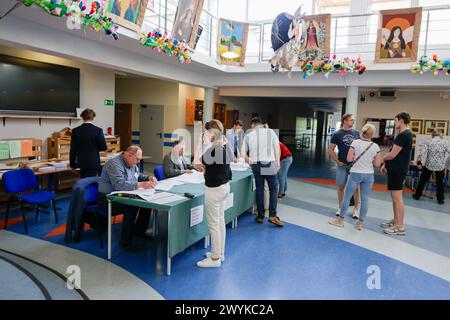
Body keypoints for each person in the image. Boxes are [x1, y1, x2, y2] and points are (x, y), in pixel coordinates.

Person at [98, 146, 158, 252]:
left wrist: (148, 178)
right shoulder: (114, 164)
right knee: (131, 207)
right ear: (129, 155)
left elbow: (137, 175)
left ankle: (139, 232)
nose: (138, 162)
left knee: (146, 202)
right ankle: (125, 243)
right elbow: (119, 185)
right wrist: (141, 185)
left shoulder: (132, 164)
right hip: (107, 198)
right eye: (137, 159)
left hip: (121, 195)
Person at [329, 124, 382, 230]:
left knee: (347, 197)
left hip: (355, 173)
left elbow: (349, 159)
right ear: (372, 134)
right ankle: (360, 223)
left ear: (362, 132)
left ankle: (340, 220)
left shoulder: (355, 143)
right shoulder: (375, 146)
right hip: (369, 175)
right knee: (365, 199)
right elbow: (377, 164)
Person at [195, 120, 233, 268]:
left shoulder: (213, 150)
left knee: (213, 225)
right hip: (224, 187)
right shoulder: (224, 145)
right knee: (220, 221)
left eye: (207, 133)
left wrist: (199, 143)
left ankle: (215, 259)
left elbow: (196, 161)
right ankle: (220, 253)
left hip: (214, 190)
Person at [242, 117, 283, 227]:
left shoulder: (249, 135)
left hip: (256, 164)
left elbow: (243, 153)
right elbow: (276, 148)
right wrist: (278, 162)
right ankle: (272, 215)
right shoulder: (270, 132)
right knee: (273, 189)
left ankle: (260, 216)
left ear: (253, 125)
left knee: (259, 189)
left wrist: (249, 161)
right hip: (268, 163)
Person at [380, 112, 413, 236]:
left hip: (398, 171)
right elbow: (395, 154)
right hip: (396, 169)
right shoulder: (404, 135)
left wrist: (383, 159)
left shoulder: (404, 136)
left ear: (401, 120)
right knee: (395, 198)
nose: (394, 123)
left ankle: (400, 226)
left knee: (397, 198)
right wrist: (386, 165)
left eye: (395, 121)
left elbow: (392, 154)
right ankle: (396, 220)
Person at [328, 113, 361, 218]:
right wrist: (337, 161)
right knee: (341, 187)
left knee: (356, 188)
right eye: (351, 120)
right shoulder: (337, 134)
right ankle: (341, 207)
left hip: (354, 165)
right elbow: (330, 149)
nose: (353, 121)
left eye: (353, 120)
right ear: (345, 121)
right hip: (342, 165)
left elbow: (361, 148)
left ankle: (356, 209)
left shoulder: (356, 133)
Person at [413, 130, 450, 205]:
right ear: (440, 134)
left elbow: (422, 153)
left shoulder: (428, 141)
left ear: (432, 135)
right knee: (440, 183)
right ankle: (440, 200)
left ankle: (417, 195)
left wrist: (419, 162)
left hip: (429, 165)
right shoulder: (445, 142)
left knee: (422, 181)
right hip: (440, 166)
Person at [70, 108, 107, 178]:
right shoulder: (98, 130)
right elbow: (103, 147)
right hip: (93, 162)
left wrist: (72, 165)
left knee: (83, 183)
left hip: (81, 162)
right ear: (93, 117)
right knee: (90, 183)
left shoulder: (75, 131)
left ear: (82, 117)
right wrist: (94, 148)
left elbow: (73, 150)